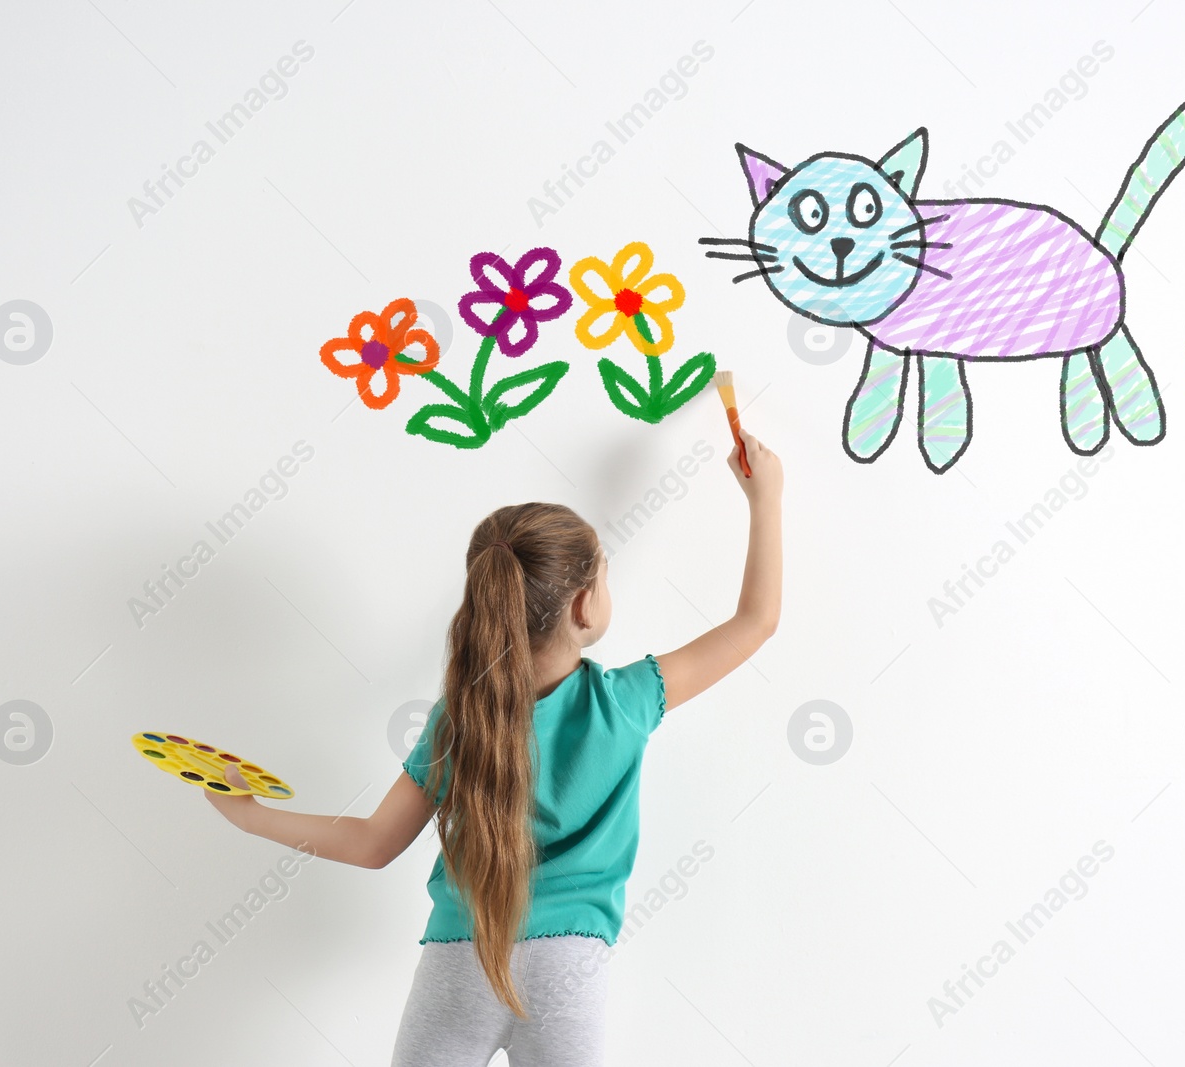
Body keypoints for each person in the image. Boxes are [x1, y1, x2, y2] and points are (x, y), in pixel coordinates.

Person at [206, 427, 782, 1065]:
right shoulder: (626, 701)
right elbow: (756, 622)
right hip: (570, 965)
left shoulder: (460, 721)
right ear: (585, 606)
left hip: (460, 956)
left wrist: (249, 814)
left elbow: (373, 845)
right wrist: (765, 501)